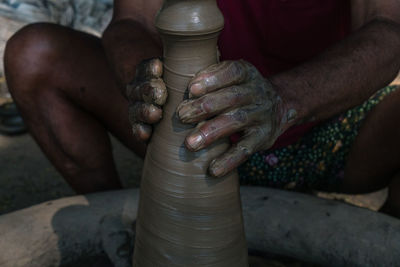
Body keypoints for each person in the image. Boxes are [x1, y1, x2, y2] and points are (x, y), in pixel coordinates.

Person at [4, 0, 400, 217]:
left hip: (326, 128)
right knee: (34, 54)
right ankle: (124, 227)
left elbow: (387, 29)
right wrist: (143, 79)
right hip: (193, 135)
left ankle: (385, 236)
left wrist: (284, 100)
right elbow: (132, 21)